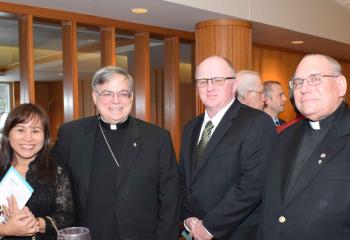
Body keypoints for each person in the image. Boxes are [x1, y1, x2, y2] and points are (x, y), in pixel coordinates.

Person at [51, 66, 180, 240]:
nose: (116, 100)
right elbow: (49, 178)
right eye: (107, 93)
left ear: (132, 97)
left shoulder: (157, 138)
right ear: (95, 97)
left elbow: (171, 200)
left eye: (123, 93)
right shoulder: (71, 134)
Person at [179, 56, 276, 240]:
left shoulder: (257, 122)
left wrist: (209, 227)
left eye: (218, 80)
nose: (209, 87)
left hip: (236, 232)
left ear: (234, 85)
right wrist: (187, 217)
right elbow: (183, 178)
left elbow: (253, 186)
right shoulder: (190, 127)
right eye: (203, 81)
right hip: (194, 230)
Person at [262, 54, 350, 240]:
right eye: (298, 82)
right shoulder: (285, 136)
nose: (304, 89)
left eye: (315, 79)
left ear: (341, 85)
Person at [0, 103, 74, 239]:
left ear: (44, 136)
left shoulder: (56, 170)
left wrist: (35, 223)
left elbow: (67, 216)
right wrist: (5, 229)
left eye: (35, 131)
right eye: (20, 130)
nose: (28, 138)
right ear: (8, 133)